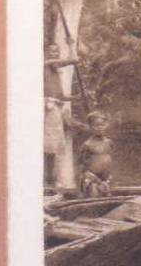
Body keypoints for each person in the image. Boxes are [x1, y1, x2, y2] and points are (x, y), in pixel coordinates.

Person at [44, 43, 79, 187]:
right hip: (47, 107)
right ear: (46, 53)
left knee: (54, 145)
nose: (55, 54)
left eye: (57, 51)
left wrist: (74, 98)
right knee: (49, 145)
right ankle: (49, 180)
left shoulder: (55, 70)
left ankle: (51, 179)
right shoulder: (45, 64)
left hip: (56, 107)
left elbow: (60, 95)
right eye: (52, 51)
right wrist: (71, 47)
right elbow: (74, 60)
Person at [78, 111, 113, 197]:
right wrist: (92, 178)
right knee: (94, 193)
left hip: (106, 178)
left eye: (102, 125)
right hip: (92, 179)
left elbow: (109, 158)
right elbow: (82, 165)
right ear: (90, 127)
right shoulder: (87, 144)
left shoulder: (109, 142)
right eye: (96, 125)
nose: (100, 128)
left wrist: (107, 178)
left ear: (106, 125)